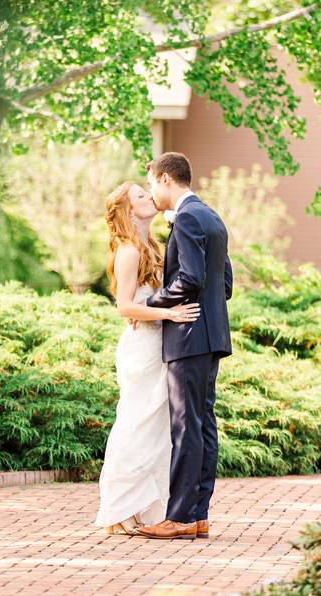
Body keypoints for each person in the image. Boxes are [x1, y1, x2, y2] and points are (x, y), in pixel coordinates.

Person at [134, 152, 233, 541]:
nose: (151, 193)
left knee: (185, 426)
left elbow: (189, 278)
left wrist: (151, 304)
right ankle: (198, 515)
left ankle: (178, 517)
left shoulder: (188, 218)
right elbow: (223, 285)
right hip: (211, 337)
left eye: (151, 184)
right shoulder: (212, 216)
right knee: (202, 424)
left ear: (164, 178)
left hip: (189, 336)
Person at [94, 181, 200, 535]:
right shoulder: (128, 251)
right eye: (140, 195)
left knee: (156, 432)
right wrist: (170, 314)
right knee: (135, 426)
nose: (148, 197)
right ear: (127, 210)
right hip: (141, 348)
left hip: (159, 347)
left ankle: (142, 508)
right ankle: (120, 510)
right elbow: (125, 308)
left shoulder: (151, 245)